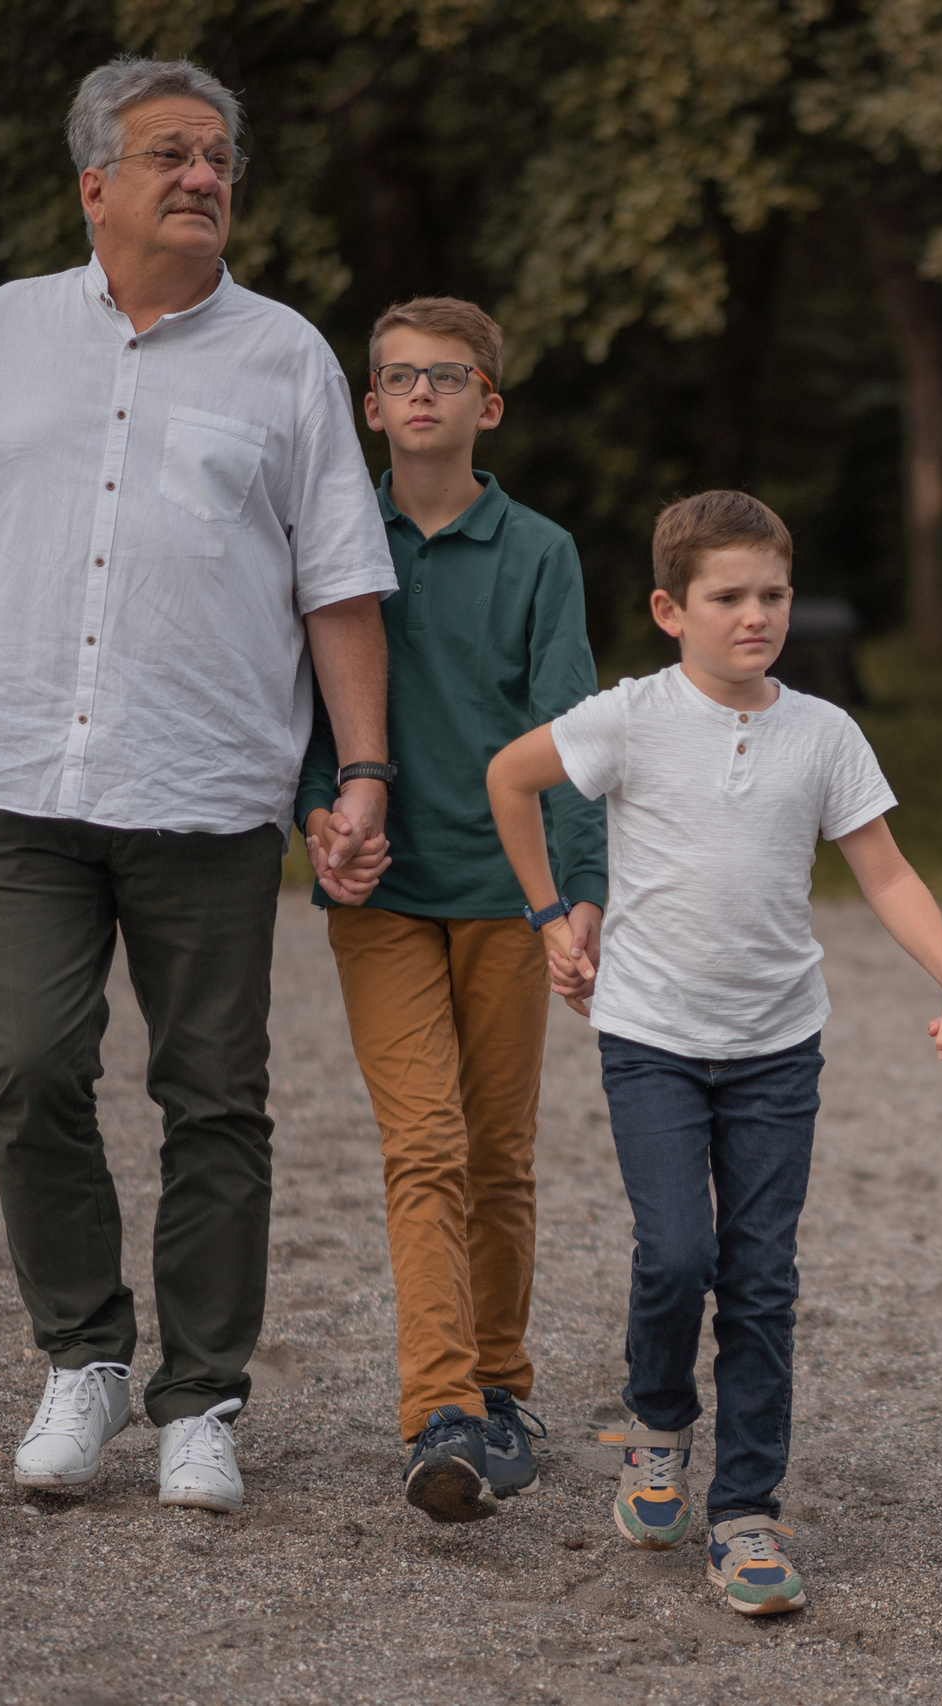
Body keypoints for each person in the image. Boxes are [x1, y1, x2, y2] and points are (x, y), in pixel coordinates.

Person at [0, 56, 397, 1514]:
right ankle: (84, 1356)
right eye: (171, 153)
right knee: (30, 1067)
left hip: (207, 791)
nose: (204, 176)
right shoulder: (0, 331)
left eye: (219, 157)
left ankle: (200, 1397)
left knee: (215, 1097)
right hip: (22, 778)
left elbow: (340, 584)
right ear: (93, 184)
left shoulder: (285, 355)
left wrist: (361, 768)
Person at [482, 489, 942, 1615]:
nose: (755, 615)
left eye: (772, 594)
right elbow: (509, 779)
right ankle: (657, 1424)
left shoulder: (825, 733)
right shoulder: (629, 717)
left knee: (762, 1279)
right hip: (652, 1038)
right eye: (727, 597)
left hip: (777, 1048)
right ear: (670, 609)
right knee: (678, 1255)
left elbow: (887, 874)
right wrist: (548, 916)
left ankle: (747, 1514)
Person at [289, 297, 605, 1523]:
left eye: (449, 375)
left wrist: (576, 893)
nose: (422, 392)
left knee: (498, 1150)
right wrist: (318, 815)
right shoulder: (331, 538)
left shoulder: (540, 551)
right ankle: (441, 1412)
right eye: (400, 376)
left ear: (490, 403)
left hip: (507, 893)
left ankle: (503, 1384)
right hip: (380, 892)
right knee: (423, 1143)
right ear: (369, 404)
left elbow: (568, 730)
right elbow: (302, 706)